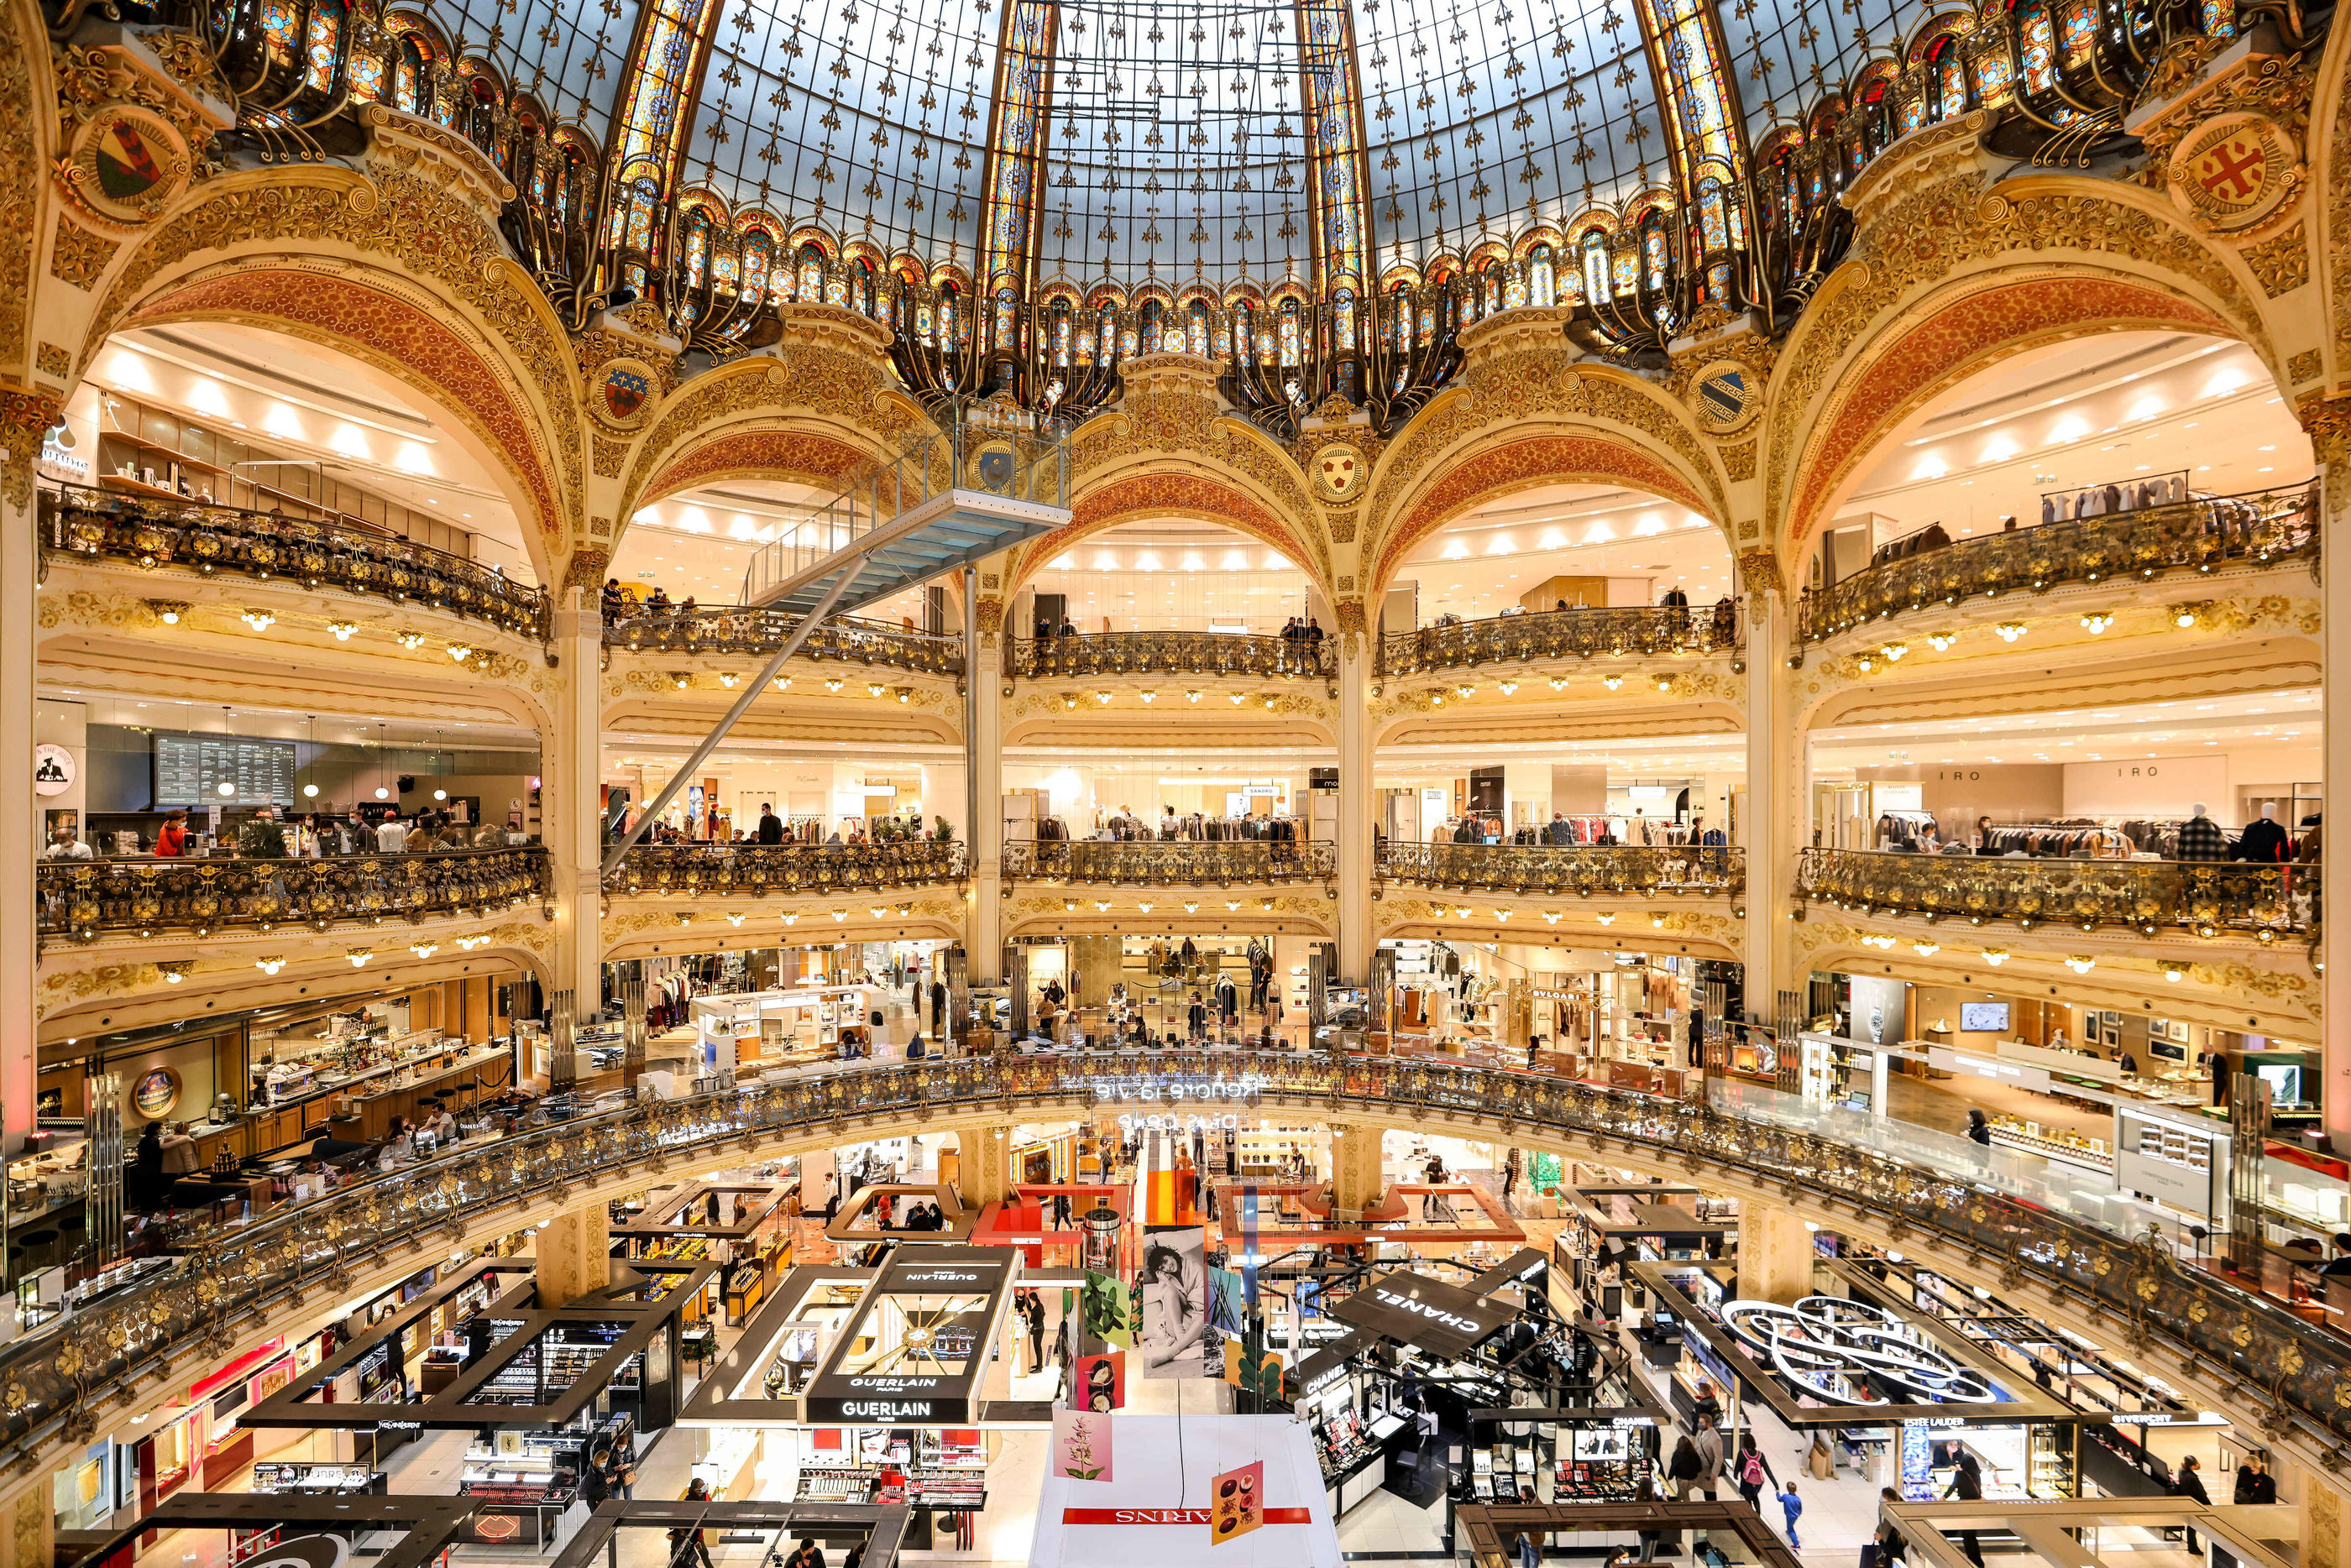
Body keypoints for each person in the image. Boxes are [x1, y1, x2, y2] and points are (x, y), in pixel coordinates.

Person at [1944, 1450, 1986, 1566]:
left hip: (1964, 1506)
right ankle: (1977, 1561)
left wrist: (1943, 1497)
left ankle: (1971, 1559)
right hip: (1975, 1507)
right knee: (1972, 1535)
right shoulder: (1976, 1474)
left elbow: (1953, 1487)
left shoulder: (1960, 1474)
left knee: (1965, 1534)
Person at [2175, 1454, 2209, 1553]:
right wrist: (2209, 1506)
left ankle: (2192, 1546)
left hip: (2188, 1502)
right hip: (2196, 1503)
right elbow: (2201, 1494)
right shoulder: (2192, 1478)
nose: (2198, 1465)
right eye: (2196, 1464)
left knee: (2191, 1525)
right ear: (2191, 1466)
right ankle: (2193, 1547)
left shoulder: (2181, 1471)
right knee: (2193, 1526)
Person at [1735, 1435, 1772, 1511]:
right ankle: (1758, 1515)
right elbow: (1767, 1470)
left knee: (1748, 1500)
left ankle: (1751, 1516)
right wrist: (1775, 1484)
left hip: (1746, 1481)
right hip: (1757, 1482)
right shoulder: (1760, 1455)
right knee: (1755, 1497)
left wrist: (1735, 1475)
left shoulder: (1742, 1453)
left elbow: (1737, 1466)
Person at [1693, 1418, 1723, 1500]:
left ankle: (1713, 1509)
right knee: (1703, 1488)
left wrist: (1714, 1473)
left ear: (1708, 1423)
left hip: (1708, 1470)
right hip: (1700, 1467)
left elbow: (1719, 1458)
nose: (1699, 1424)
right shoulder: (1700, 1432)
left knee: (1709, 1492)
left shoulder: (1715, 1438)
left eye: (1701, 1422)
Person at [1877, 1486, 1908, 1565]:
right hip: (1893, 1559)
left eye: (1884, 1497)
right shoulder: (1890, 1515)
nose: (1881, 1499)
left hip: (1894, 1561)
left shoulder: (1896, 1529)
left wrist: (1880, 1540)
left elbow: (1894, 1552)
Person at [1775, 1480, 1803, 1549]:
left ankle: (1796, 1544)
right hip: (1795, 1516)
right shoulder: (1798, 1499)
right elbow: (1800, 1508)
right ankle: (1789, 1528)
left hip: (1789, 1515)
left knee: (1790, 1529)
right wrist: (1798, 1514)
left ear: (1787, 1489)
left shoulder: (1785, 1497)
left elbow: (1779, 1499)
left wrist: (1777, 1493)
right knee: (1791, 1524)